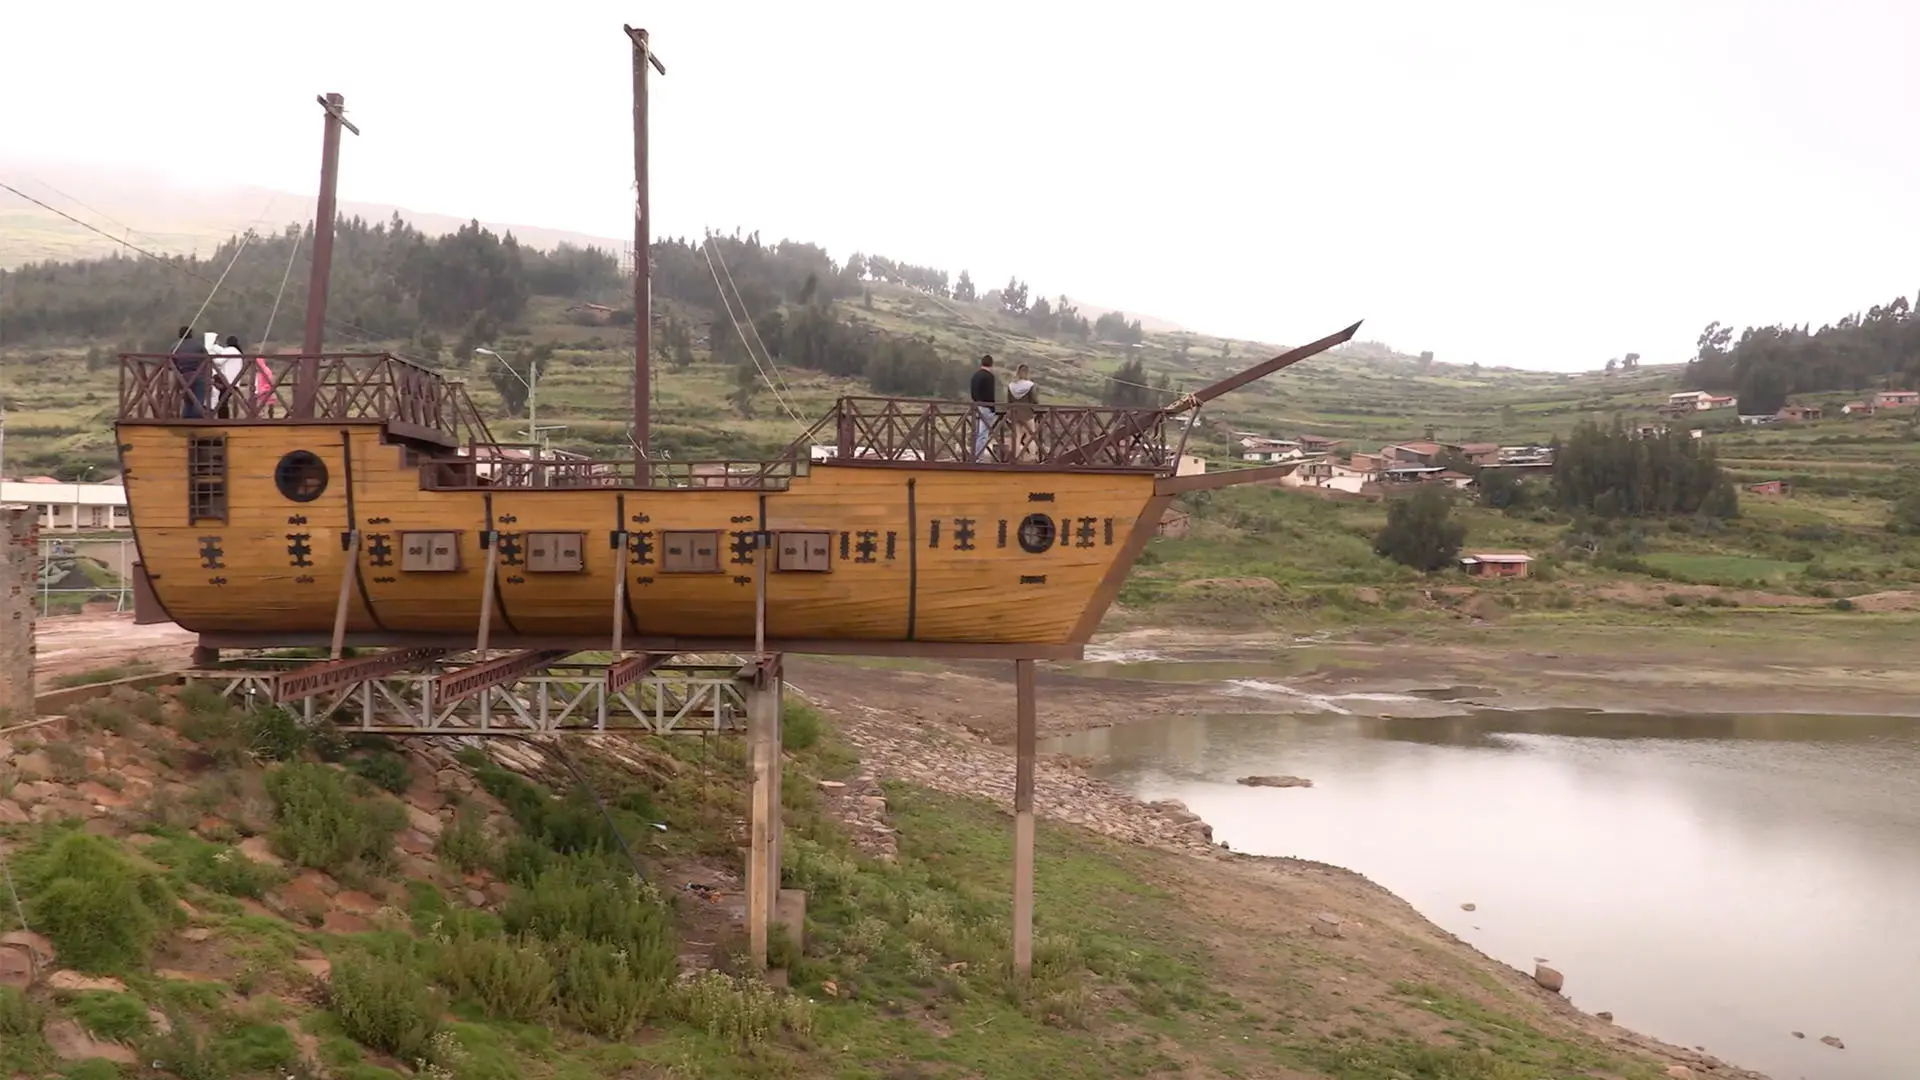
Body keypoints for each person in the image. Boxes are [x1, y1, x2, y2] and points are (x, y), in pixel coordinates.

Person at [169, 326, 209, 418]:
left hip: (183, 376)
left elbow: (171, 362)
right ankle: (196, 420)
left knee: (188, 401)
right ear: (191, 334)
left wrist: (178, 372)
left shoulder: (175, 346)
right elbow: (207, 359)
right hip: (197, 375)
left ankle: (186, 419)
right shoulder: (198, 345)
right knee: (198, 400)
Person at [1006, 362, 1039, 462]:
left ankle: (1016, 456)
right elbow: (1034, 400)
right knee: (1031, 435)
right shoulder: (1030, 385)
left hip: (1015, 414)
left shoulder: (1011, 386)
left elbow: (1009, 401)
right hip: (1027, 414)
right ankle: (1032, 456)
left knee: (1017, 436)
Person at [969, 354, 997, 461]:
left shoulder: (975, 375)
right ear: (991, 364)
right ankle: (979, 458)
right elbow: (990, 395)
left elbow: (973, 393)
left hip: (976, 406)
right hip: (986, 407)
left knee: (975, 433)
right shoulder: (989, 377)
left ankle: (974, 456)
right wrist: (992, 409)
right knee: (983, 434)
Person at [210, 334, 245, 419]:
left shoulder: (230, 350)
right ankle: (223, 417)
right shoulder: (237, 351)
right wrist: (215, 346)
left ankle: (222, 418)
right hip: (234, 381)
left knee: (221, 401)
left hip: (227, 380)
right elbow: (222, 351)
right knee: (223, 400)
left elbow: (219, 361)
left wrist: (210, 357)